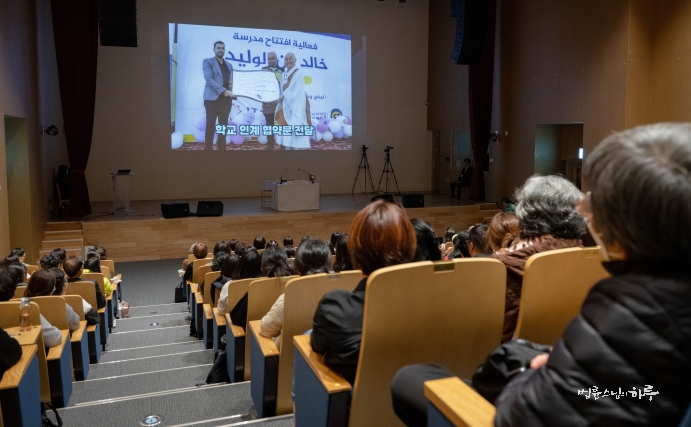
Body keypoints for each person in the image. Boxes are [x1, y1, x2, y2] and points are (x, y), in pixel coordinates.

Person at [394, 122, 691, 427]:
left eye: (595, 202)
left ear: (623, 225)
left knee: (410, 379)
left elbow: (523, 413)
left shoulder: (628, 311)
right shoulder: (645, 295)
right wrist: (563, 364)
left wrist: (535, 374)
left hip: (522, 403)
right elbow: (630, 392)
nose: (588, 213)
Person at [308, 201, 416, 385]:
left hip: (352, 401)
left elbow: (317, 347)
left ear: (356, 250)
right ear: (410, 246)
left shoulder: (335, 309)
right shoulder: (433, 305)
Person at [493, 175, 586, 342]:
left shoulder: (501, 262)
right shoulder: (588, 255)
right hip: (573, 342)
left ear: (526, 213)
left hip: (518, 351)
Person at [260, 240, 330, 349]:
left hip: (290, 357)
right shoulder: (339, 293)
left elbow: (265, 329)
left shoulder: (289, 299)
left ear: (297, 269)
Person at [275, 52, 311, 150]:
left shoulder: (298, 73)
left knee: (296, 123)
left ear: (295, 60)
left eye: (290, 58)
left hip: (296, 103)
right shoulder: (284, 74)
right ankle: (286, 145)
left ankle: (299, 147)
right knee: (285, 124)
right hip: (285, 103)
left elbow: (295, 89)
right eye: (286, 59)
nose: (288, 61)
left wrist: (283, 95)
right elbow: (282, 88)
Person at [202, 40, 234, 150]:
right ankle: (208, 149)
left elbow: (232, 82)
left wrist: (234, 92)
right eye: (218, 48)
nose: (221, 50)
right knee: (211, 124)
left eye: (222, 48)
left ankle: (221, 148)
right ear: (214, 49)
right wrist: (223, 91)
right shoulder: (208, 62)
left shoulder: (229, 65)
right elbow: (209, 79)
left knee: (223, 125)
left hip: (226, 100)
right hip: (212, 99)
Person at [217, 250, 261, 315]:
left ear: (240, 266)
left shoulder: (229, 286)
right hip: (260, 320)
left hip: (233, 321)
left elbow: (221, 311)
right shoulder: (268, 284)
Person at [261, 51, 283, 149]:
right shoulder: (263, 70)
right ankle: (270, 145)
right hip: (268, 102)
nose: (270, 60)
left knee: (281, 124)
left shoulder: (282, 70)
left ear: (276, 59)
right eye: (269, 59)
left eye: (272, 58)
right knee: (269, 124)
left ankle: (282, 144)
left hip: (280, 102)